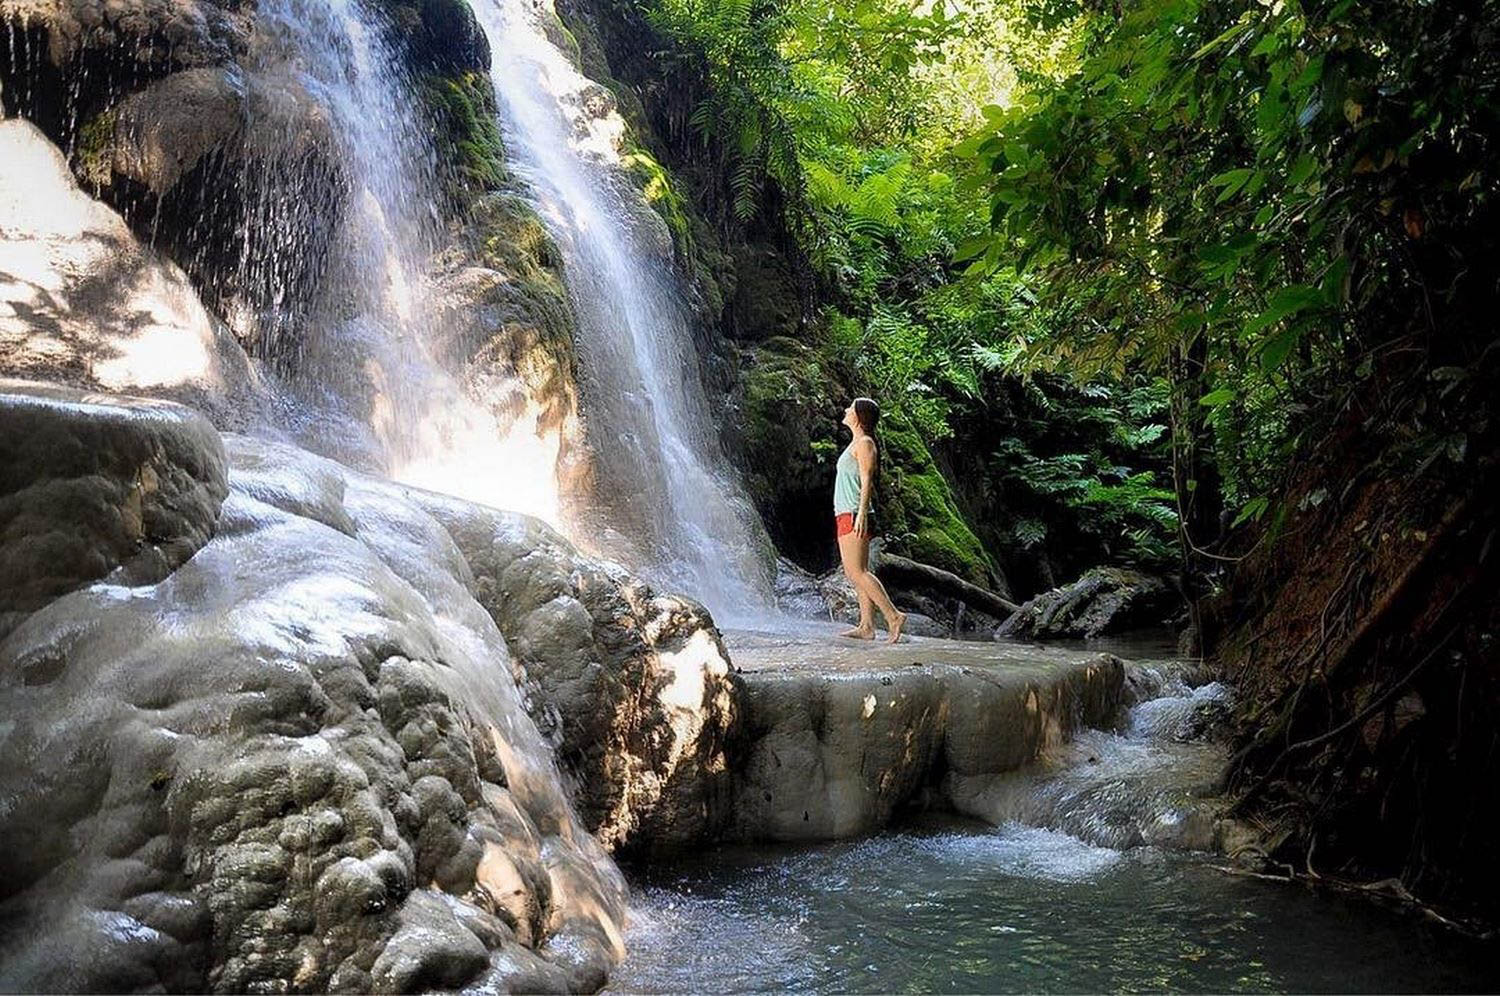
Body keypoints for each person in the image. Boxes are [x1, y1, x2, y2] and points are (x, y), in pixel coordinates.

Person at [834, 397, 905, 642]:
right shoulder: (856, 442)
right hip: (847, 511)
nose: (846, 410)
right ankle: (866, 626)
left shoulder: (864, 443)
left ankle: (893, 615)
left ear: (859, 416)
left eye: (851, 408)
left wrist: (862, 512)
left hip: (854, 512)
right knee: (857, 571)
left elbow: (866, 480)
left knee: (857, 572)